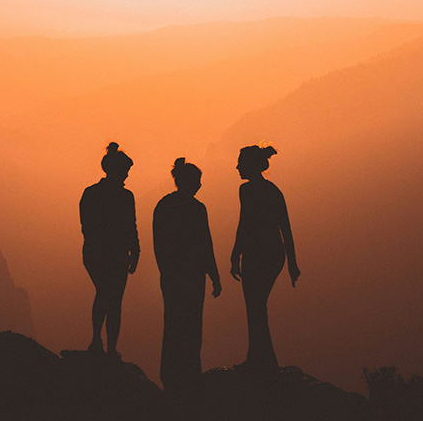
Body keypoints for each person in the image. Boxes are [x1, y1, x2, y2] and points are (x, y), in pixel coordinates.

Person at [153, 158, 221, 392]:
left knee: (172, 323)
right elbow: (205, 244)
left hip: (172, 276)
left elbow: (158, 243)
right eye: (198, 181)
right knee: (192, 325)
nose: (200, 185)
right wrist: (214, 275)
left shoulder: (163, 205)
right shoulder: (196, 208)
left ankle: (170, 374)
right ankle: (191, 373)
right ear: (190, 182)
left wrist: (165, 270)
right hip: (192, 276)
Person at [230, 145, 299, 372]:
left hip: (263, 254)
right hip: (264, 253)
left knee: (255, 306)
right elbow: (247, 224)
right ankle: (259, 358)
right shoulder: (262, 190)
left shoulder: (259, 191)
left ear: (250, 165)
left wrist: (293, 263)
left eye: (241, 162)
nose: (237, 166)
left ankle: (262, 361)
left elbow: (283, 226)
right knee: (255, 306)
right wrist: (235, 254)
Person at [80, 142, 140, 358]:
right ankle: (108, 347)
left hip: (96, 254)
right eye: (126, 171)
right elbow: (130, 227)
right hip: (113, 255)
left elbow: (86, 227)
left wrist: (134, 250)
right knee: (112, 299)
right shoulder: (124, 197)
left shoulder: (91, 193)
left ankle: (99, 343)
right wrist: (135, 251)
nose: (127, 176)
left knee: (105, 295)